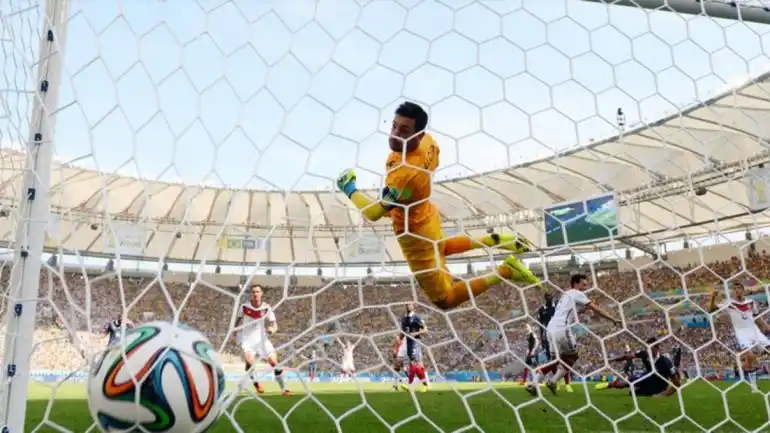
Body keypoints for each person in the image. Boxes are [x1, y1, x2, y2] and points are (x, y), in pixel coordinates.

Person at [336, 101, 539, 311]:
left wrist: (349, 187)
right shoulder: (429, 143)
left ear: (418, 135)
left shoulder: (405, 175)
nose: (395, 133)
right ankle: (496, 240)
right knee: (440, 248)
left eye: (404, 130)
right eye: (394, 126)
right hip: (425, 213)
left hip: (414, 233)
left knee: (445, 300)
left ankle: (505, 270)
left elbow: (374, 213)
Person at [527, 274, 620, 396]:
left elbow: (569, 312)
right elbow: (596, 309)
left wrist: (581, 311)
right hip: (562, 328)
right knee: (572, 356)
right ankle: (553, 381)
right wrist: (612, 318)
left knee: (554, 360)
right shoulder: (577, 293)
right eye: (583, 284)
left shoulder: (565, 295)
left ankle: (534, 384)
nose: (585, 287)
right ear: (575, 283)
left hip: (550, 328)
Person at [709, 280, 770, 393]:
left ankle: (745, 370)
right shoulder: (729, 303)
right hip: (742, 334)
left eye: (738, 288)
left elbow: (757, 317)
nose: (736, 290)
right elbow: (711, 310)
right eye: (734, 289)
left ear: (743, 290)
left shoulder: (751, 302)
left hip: (755, 331)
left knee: (753, 359)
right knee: (750, 357)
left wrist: (767, 326)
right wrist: (713, 298)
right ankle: (752, 384)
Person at [232, 284, 291, 396]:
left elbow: (274, 325)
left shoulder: (266, 308)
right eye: (253, 292)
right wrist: (234, 335)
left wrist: (271, 330)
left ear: (261, 293)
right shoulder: (244, 307)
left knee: (274, 363)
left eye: (257, 292)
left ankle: (284, 389)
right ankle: (256, 383)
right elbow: (237, 321)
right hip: (248, 340)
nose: (255, 294)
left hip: (262, 340)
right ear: (251, 294)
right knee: (250, 362)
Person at [596, 337, 681, 397]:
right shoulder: (644, 353)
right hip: (648, 375)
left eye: (650, 348)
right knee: (628, 382)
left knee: (634, 393)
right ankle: (610, 385)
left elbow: (677, 384)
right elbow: (626, 356)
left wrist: (663, 395)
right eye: (647, 347)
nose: (648, 350)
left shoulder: (665, 362)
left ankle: (642, 389)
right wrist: (610, 360)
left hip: (659, 385)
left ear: (657, 348)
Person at [398, 303, 429, 392]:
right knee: (416, 365)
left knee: (415, 363)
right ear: (405, 307)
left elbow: (426, 330)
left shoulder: (417, 317)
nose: (408, 306)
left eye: (410, 304)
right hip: (408, 343)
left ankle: (410, 385)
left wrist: (415, 333)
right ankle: (424, 385)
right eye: (407, 305)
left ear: (413, 306)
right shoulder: (404, 319)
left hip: (415, 342)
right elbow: (403, 332)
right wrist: (400, 339)